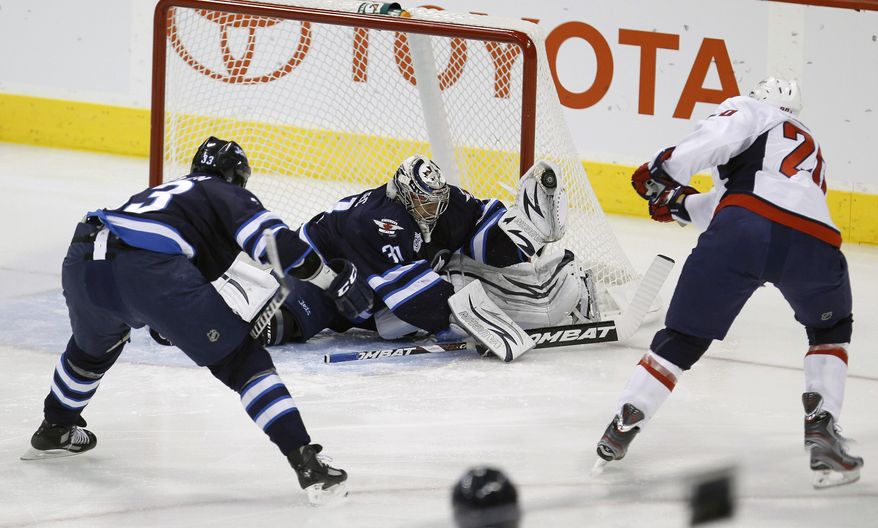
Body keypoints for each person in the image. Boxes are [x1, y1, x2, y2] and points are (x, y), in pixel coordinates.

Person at [20, 137, 365, 504]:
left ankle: (55, 426)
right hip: (146, 267)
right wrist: (332, 281)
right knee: (243, 362)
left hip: (84, 257)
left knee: (91, 352)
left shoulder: (169, 192)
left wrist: (164, 317)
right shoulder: (224, 192)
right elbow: (273, 242)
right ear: (236, 176)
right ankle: (306, 461)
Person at [593, 77, 864, 488]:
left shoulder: (753, 111)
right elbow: (755, 198)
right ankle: (822, 424)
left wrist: (661, 170)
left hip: (744, 231)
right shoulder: (808, 146)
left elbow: (728, 164)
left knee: (682, 337)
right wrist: (682, 204)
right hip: (815, 243)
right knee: (830, 328)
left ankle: (627, 417)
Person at [238, 155, 596, 348]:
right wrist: (466, 321)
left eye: (435, 201)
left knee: (463, 273)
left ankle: (565, 282)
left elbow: (480, 231)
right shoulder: (380, 222)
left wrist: (524, 235)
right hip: (320, 278)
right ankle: (203, 307)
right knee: (274, 327)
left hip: (370, 286)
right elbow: (412, 303)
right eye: (422, 203)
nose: (432, 210)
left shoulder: (440, 201)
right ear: (404, 194)